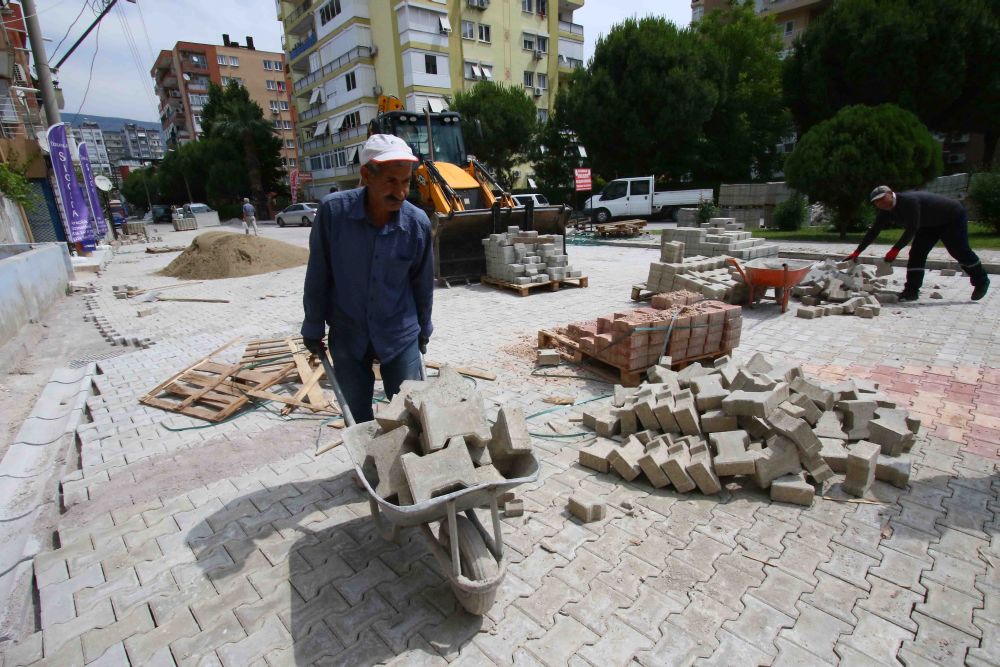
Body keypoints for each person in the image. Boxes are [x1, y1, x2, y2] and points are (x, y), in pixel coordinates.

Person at [301, 134, 434, 422]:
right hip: (349, 333)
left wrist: (424, 328)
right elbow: (318, 273)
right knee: (356, 417)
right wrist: (313, 324)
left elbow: (422, 283)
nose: (400, 192)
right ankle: (368, 463)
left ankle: (406, 466)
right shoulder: (333, 214)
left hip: (399, 333)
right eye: (390, 181)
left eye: (406, 182)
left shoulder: (417, 223)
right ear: (366, 175)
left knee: (410, 415)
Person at [847, 185, 989, 302]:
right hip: (928, 224)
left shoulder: (909, 201)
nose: (880, 203)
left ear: (890, 193)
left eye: (882, 198)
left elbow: (912, 228)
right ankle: (911, 291)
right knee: (916, 253)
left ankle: (981, 281)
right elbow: (874, 231)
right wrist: (857, 252)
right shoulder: (885, 211)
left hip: (951, 217)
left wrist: (895, 249)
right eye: (876, 202)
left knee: (958, 250)